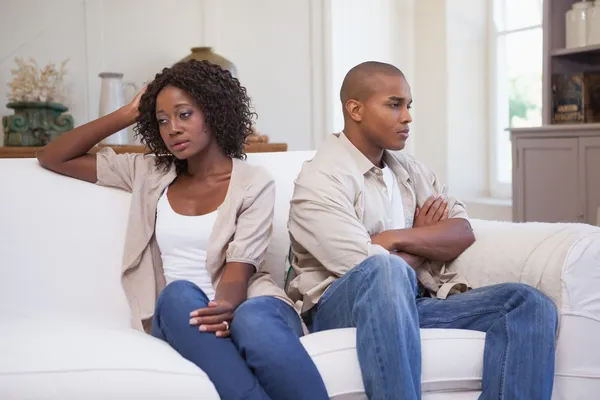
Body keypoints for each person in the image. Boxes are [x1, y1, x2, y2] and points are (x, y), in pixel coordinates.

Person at [37, 60, 328, 400]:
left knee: (253, 317)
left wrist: (224, 310)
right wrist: (128, 113)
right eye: (161, 120)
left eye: (184, 114)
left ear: (213, 111)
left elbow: (241, 267)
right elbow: (53, 156)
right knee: (177, 295)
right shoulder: (149, 172)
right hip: (182, 317)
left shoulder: (253, 182)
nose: (172, 128)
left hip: (247, 304)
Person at [287, 61, 558, 400]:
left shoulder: (408, 169)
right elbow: (362, 264)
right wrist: (421, 241)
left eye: (408, 105)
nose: (407, 117)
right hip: (339, 309)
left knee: (527, 303)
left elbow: (461, 230)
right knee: (383, 270)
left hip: (413, 302)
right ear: (355, 109)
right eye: (394, 104)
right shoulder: (320, 179)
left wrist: (395, 238)